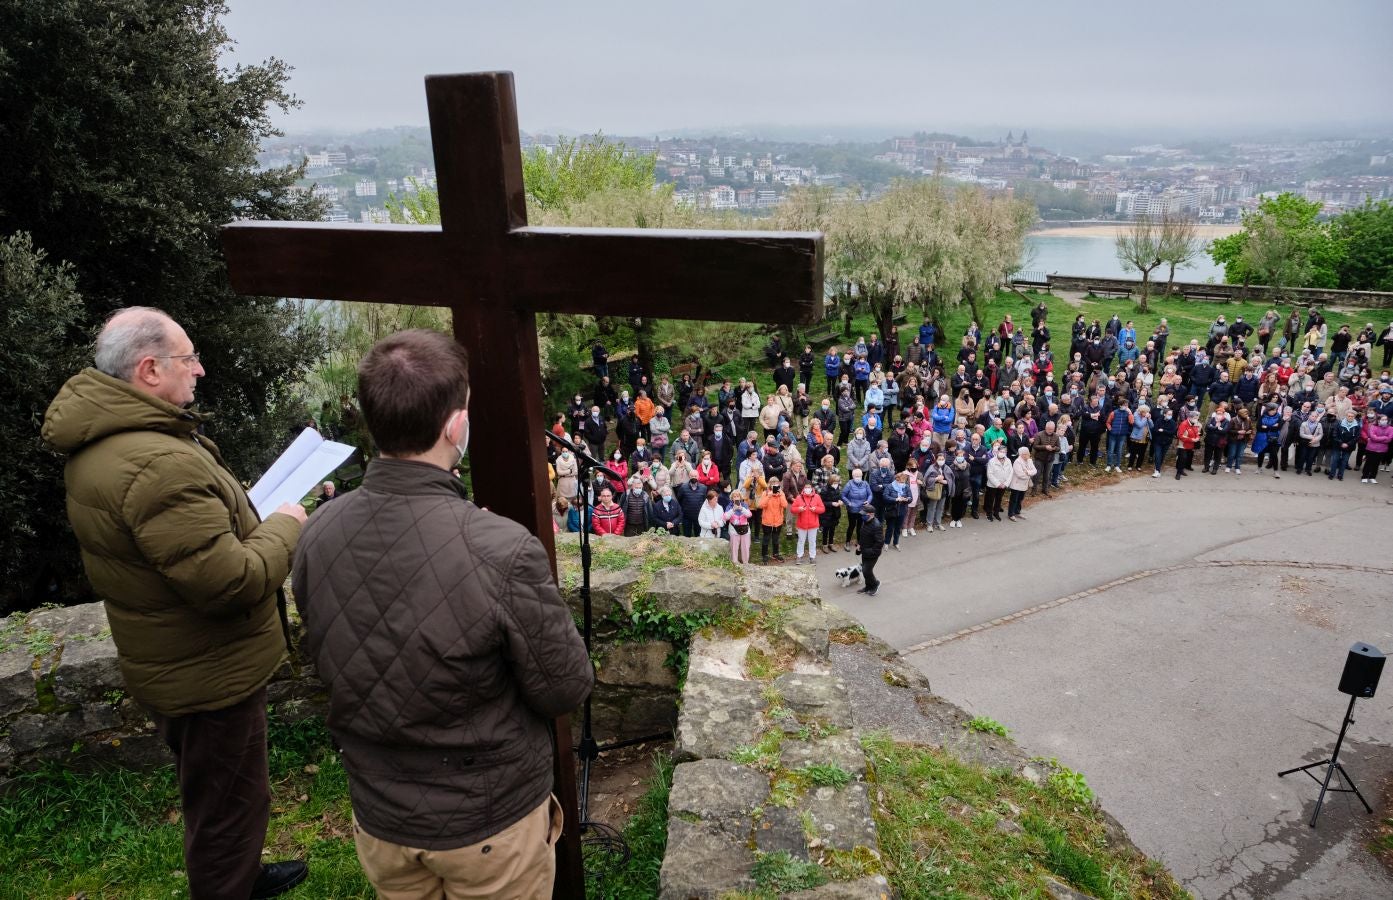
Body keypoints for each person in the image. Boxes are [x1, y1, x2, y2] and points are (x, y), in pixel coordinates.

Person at [293, 329, 592, 900]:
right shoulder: (500, 548)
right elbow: (565, 686)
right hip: (489, 820)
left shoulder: (316, 533)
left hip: (380, 815)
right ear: (457, 426)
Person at [43, 307, 310, 900]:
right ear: (149, 370)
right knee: (228, 806)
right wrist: (288, 523)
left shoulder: (109, 443)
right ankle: (227, 883)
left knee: (219, 795)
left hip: (177, 658)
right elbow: (229, 582)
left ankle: (239, 873)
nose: (201, 370)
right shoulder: (155, 463)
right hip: (208, 671)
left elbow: (182, 547)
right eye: (189, 359)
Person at [791, 483, 825, 564]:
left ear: (812, 488)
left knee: (812, 541)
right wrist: (799, 509)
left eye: (809, 487)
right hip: (801, 525)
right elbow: (792, 509)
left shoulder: (817, 497)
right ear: (803, 488)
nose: (807, 489)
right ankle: (799, 556)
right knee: (801, 541)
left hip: (813, 525)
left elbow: (822, 509)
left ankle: (812, 557)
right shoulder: (799, 497)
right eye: (806, 487)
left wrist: (815, 509)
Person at [758, 478, 788, 563]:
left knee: (776, 539)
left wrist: (781, 495)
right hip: (767, 521)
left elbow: (785, 505)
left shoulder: (781, 493)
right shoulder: (766, 493)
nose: (775, 484)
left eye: (776, 483)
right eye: (773, 483)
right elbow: (760, 505)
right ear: (770, 484)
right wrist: (769, 496)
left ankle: (776, 554)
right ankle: (764, 555)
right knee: (766, 539)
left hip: (778, 521)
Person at [855, 503, 883, 597]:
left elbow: (879, 542)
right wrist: (859, 544)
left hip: (872, 553)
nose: (862, 516)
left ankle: (875, 584)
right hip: (865, 550)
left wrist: (870, 551)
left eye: (864, 514)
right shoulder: (866, 522)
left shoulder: (877, 525)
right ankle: (868, 587)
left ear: (871, 514)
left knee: (866, 570)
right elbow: (863, 535)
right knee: (865, 570)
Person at [724, 490, 754, 563]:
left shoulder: (744, 505)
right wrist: (733, 510)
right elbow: (725, 517)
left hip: (745, 529)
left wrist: (742, 509)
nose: (736, 498)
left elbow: (749, 515)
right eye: (734, 496)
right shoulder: (729, 506)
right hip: (734, 529)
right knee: (734, 547)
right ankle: (735, 562)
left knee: (746, 547)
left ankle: (745, 562)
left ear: (740, 497)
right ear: (732, 498)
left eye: (738, 496)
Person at [1007, 446, 1036, 522]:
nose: (1028, 455)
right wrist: (1029, 474)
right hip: (1016, 484)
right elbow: (1020, 474)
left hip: (1024, 485)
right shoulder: (1017, 462)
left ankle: (1017, 512)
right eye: (1026, 454)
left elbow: (1035, 470)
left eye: (1028, 453)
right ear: (1021, 454)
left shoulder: (1029, 460)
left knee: (1020, 499)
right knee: (1014, 499)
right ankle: (1011, 514)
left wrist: (1028, 472)